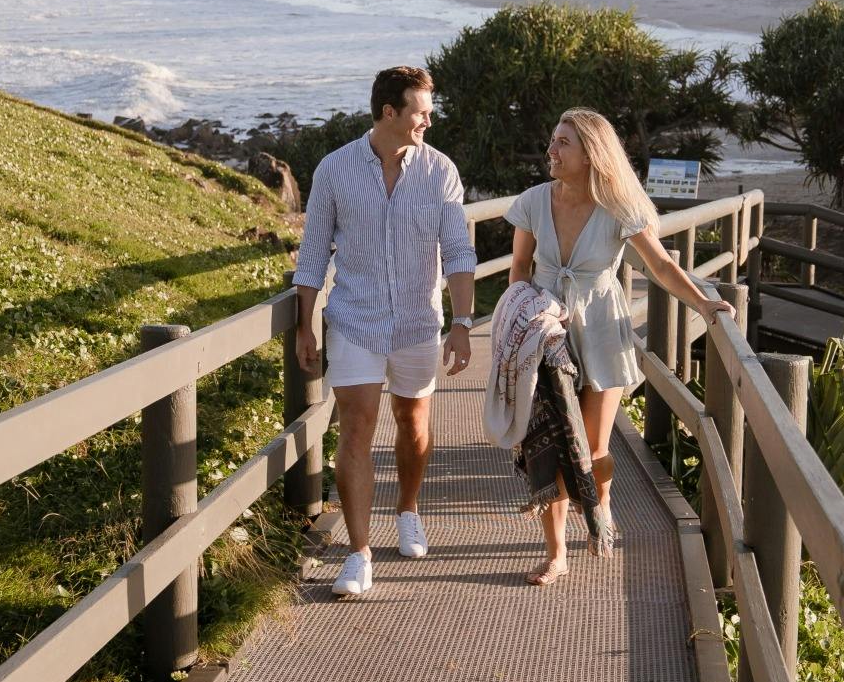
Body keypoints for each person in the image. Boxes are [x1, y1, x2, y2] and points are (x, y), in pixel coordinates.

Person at [506, 107, 730, 586]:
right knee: (551, 443)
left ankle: (601, 498)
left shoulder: (617, 210)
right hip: (546, 332)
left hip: (602, 330)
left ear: (591, 154)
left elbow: (662, 267)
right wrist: (522, 320)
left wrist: (705, 305)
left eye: (563, 143)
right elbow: (519, 267)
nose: (552, 150)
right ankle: (556, 551)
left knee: (591, 446)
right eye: (553, 139)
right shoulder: (530, 202)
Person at [292, 65, 477, 598]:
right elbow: (312, 253)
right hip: (353, 317)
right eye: (420, 112)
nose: (428, 120)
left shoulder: (441, 171)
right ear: (389, 112)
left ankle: (409, 509)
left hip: (419, 319)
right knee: (356, 427)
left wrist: (463, 323)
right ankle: (358, 552)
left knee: (413, 422)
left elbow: (459, 251)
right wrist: (305, 323)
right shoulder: (333, 170)